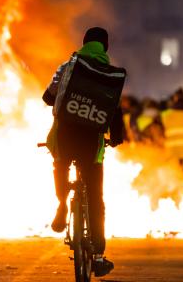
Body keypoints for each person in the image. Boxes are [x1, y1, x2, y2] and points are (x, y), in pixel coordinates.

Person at [42, 27, 124, 277]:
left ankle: (61, 206)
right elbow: (114, 110)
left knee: (60, 165)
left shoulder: (68, 66)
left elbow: (47, 97)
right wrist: (117, 137)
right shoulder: (110, 75)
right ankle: (98, 254)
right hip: (91, 144)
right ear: (105, 47)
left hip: (65, 138)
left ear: (85, 43)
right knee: (96, 198)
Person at [161, 88, 183, 186]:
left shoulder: (166, 116)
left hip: (172, 154)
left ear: (174, 99)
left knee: (175, 183)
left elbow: (161, 135)